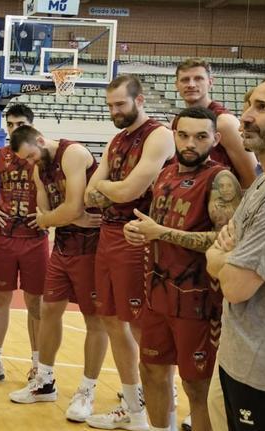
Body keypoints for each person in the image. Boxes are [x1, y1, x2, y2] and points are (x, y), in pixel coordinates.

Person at [124, 107, 242, 431]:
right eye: (184, 135)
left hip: (199, 300)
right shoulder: (165, 173)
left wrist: (161, 233)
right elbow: (155, 224)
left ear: (215, 139)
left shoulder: (221, 179)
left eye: (201, 136)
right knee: (151, 369)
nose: (190, 143)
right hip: (158, 292)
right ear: (174, 135)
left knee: (196, 387)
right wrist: (136, 230)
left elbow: (226, 239)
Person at [84, 74, 175, 430]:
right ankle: (134, 407)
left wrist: (109, 188)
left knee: (142, 327)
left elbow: (132, 190)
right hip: (108, 235)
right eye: (110, 105)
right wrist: (112, 188)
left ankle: (161, 409)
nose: (114, 111)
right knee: (110, 319)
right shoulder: (116, 140)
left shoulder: (159, 134)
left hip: (139, 236)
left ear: (139, 101)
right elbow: (91, 195)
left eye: (120, 104)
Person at [206, 73, 265, 431]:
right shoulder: (263, 181)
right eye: (247, 104)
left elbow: (236, 284)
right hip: (238, 361)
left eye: (262, 107)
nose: (245, 116)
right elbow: (217, 249)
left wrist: (226, 257)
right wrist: (225, 256)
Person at [5, 126, 108, 423]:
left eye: (32, 155)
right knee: (47, 310)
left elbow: (72, 207)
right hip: (63, 247)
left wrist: (56, 216)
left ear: (40, 140)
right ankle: (45, 381)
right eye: (27, 159)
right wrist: (59, 217)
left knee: (95, 320)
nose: (31, 162)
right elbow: (45, 214)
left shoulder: (72, 153)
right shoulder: (39, 169)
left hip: (92, 248)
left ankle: (87, 391)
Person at [0, 103, 48, 386]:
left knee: (35, 304)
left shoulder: (41, 156)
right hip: (4, 237)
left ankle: (38, 365)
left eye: (20, 124)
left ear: (32, 126)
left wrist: (48, 216)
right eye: (11, 124)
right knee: (0, 300)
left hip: (34, 238)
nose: (14, 129)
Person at [173, 58, 257, 188]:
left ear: (210, 83)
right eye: (185, 80)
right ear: (176, 85)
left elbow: (251, 177)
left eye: (198, 78)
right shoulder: (178, 122)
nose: (191, 84)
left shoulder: (224, 122)